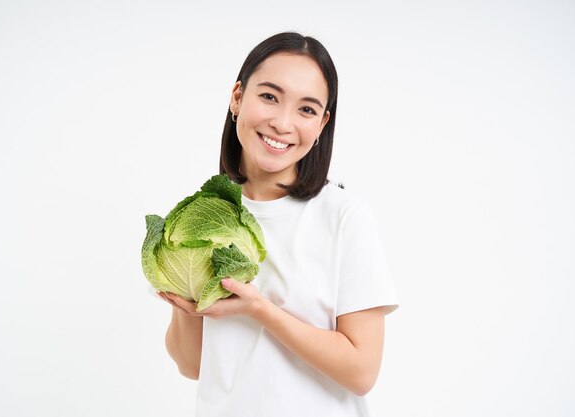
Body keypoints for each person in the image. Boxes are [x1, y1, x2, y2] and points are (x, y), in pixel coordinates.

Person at [158, 31, 399, 417]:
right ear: (237, 97)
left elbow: (361, 371)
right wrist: (187, 304)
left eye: (306, 110)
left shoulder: (343, 216)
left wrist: (259, 309)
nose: (283, 123)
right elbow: (193, 365)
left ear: (322, 124)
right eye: (269, 96)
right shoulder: (204, 215)